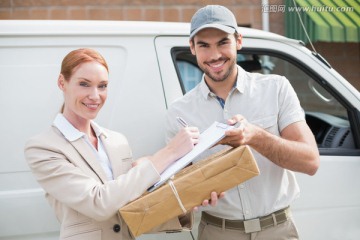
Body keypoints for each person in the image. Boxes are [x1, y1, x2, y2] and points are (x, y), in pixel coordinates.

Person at [24, 48, 221, 240]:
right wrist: (169, 152)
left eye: (102, 86)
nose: (95, 95)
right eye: (84, 84)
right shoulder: (43, 147)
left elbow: (130, 210)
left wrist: (187, 200)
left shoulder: (116, 141)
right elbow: (99, 203)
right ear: (62, 82)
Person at [165, 5, 320, 240]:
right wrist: (195, 194)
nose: (215, 55)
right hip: (218, 232)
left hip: (277, 230)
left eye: (222, 42)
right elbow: (181, 189)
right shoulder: (179, 112)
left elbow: (310, 161)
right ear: (192, 48)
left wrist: (256, 136)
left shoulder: (276, 89)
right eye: (204, 45)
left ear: (238, 40)